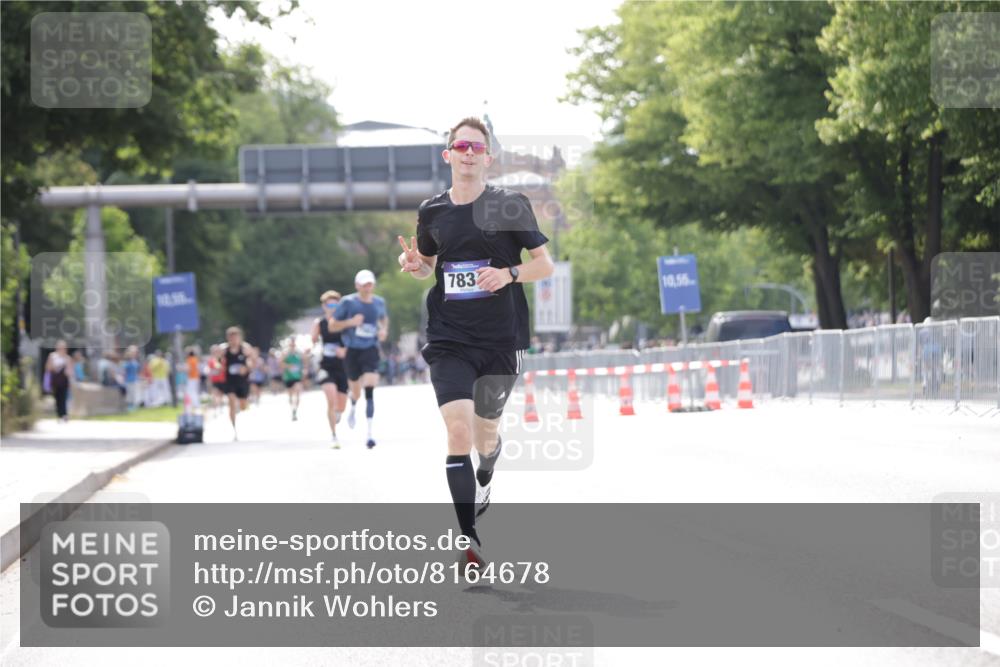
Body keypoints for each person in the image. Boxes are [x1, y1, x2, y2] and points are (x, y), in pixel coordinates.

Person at [398, 116, 553, 568]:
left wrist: (509, 273)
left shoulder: (510, 205)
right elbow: (429, 263)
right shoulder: (432, 211)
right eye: (460, 146)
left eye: (476, 147)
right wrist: (415, 265)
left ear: (488, 157)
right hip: (449, 337)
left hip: (501, 339)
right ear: (448, 155)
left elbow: (544, 265)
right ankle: (468, 538)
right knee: (459, 431)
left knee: (486, 434)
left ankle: (488, 469)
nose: (468, 153)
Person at [331, 271, 388, 449]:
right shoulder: (348, 302)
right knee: (355, 391)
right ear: (357, 285)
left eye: (370, 284)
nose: (367, 287)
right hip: (352, 350)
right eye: (364, 284)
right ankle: (353, 402)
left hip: (370, 348)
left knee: (370, 384)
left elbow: (383, 318)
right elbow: (332, 325)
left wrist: (383, 330)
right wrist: (350, 323)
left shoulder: (379, 302)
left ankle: (370, 434)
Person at [311, 290, 350, 448]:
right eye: (329, 304)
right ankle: (334, 435)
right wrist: (311, 345)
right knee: (331, 397)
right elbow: (312, 340)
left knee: (340, 406)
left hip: (343, 366)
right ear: (324, 306)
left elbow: (354, 340)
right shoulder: (319, 323)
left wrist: (345, 350)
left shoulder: (344, 321)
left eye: (335, 304)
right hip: (326, 365)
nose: (332, 307)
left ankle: (338, 413)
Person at [221, 327, 254, 440]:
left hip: (243, 381)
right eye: (231, 337)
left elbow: (252, 361)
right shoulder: (224, 349)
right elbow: (217, 362)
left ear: (239, 337)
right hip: (230, 381)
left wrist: (247, 367)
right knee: (231, 401)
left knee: (243, 405)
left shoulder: (245, 348)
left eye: (235, 337)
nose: (233, 339)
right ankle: (234, 430)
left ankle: (240, 406)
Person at [45, 340, 73, 421]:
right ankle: (59, 415)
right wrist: (55, 368)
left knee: (64, 397)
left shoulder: (67, 358)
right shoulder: (52, 356)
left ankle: (64, 414)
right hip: (55, 380)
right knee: (57, 397)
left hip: (64, 380)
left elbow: (70, 370)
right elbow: (48, 367)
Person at [281, 341, 305, 421]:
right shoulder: (285, 354)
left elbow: (304, 363)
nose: (292, 346)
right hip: (288, 378)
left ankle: (295, 410)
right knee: (290, 396)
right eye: (291, 345)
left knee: (298, 393)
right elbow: (281, 364)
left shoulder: (299, 354)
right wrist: (289, 366)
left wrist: (304, 371)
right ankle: (292, 409)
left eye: (294, 345)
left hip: (297, 378)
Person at [207, 345, 227, 415]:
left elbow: (224, 369)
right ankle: (215, 409)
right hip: (214, 380)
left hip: (222, 380)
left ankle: (220, 408)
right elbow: (209, 371)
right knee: (215, 394)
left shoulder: (223, 359)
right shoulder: (211, 360)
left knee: (220, 395)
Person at [123, 346, 141, 411]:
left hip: (135, 379)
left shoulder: (135, 361)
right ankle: (130, 406)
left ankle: (134, 405)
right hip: (129, 380)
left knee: (135, 393)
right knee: (130, 393)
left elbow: (137, 371)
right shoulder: (127, 362)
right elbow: (124, 371)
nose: (135, 353)